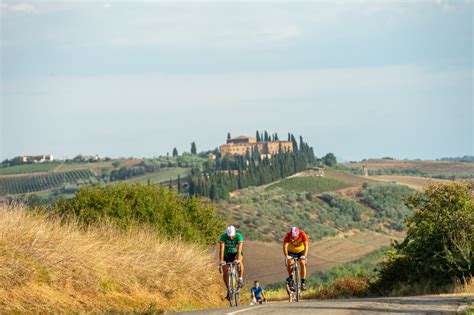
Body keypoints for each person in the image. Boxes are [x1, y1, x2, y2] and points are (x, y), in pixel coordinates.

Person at [218, 225, 244, 299]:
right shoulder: (223, 237)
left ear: (235, 233)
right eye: (229, 236)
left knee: (240, 261)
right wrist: (221, 260)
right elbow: (221, 249)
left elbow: (239, 250)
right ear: (227, 234)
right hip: (227, 255)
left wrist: (238, 260)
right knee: (225, 271)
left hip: (236, 254)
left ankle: (240, 278)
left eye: (232, 236)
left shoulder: (239, 236)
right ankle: (229, 290)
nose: (231, 238)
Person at [283, 226, 309, 291]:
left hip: (301, 251)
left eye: (295, 237)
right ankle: (291, 279)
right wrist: (286, 256)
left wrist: (305, 256)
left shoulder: (303, 234)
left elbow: (306, 245)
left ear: (298, 234)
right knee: (290, 263)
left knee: (302, 263)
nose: (294, 239)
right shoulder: (287, 235)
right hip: (291, 251)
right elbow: (285, 246)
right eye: (292, 238)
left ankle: (303, 282)